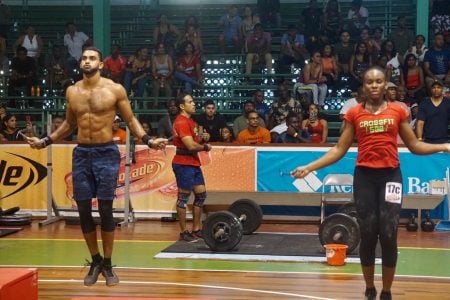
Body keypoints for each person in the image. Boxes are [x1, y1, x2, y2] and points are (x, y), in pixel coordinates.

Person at [291, 66, 450, 300]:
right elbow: (338, 149)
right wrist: (309, 167)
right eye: (369, 82)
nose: (374, 85)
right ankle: (369, 288)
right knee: (367, 233)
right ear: (363, 86)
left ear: (385, 85)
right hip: (364, 178)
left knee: (388, 234)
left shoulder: (397, 111)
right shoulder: (354, 113)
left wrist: (443, 146)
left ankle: (386, 290)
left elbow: (415, 145)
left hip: (391, 177)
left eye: (378, 81)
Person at [24, 47, 168, 287]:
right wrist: (45, 140)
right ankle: (95, 260)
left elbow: (131, 119)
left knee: (105, 209)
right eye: (84, 58)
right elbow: (69, 124)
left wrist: (148, 140)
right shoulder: (72, 91)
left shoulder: (114, 89)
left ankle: (109, 264)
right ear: (80, 63)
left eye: (92, 58)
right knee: (82, 210)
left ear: (101, 64)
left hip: (106, 154)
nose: (87, 61)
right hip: (82, 153)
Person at [172, 93, 211, 242]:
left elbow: (194, 140)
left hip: (193, 162)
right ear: (182, 106)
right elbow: (190, 145)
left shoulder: (191, 121)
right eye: (190, 102)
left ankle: (196, 228)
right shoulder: (181, 122)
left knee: (201, 195)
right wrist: (205, 146)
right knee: (183, 198)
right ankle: (183, 232)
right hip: (183, 163)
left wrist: (202, 137)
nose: (194, 104)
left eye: (193, 101)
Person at [415, 80, 450, 144]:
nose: (436, 89)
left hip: (445, 141)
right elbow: (420, 123)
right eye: (434, 87)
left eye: (438, 87)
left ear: (442, 89)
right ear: (431, 89)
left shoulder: (448, 103)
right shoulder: (424, 103)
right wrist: (419, 139)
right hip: (428, 140)